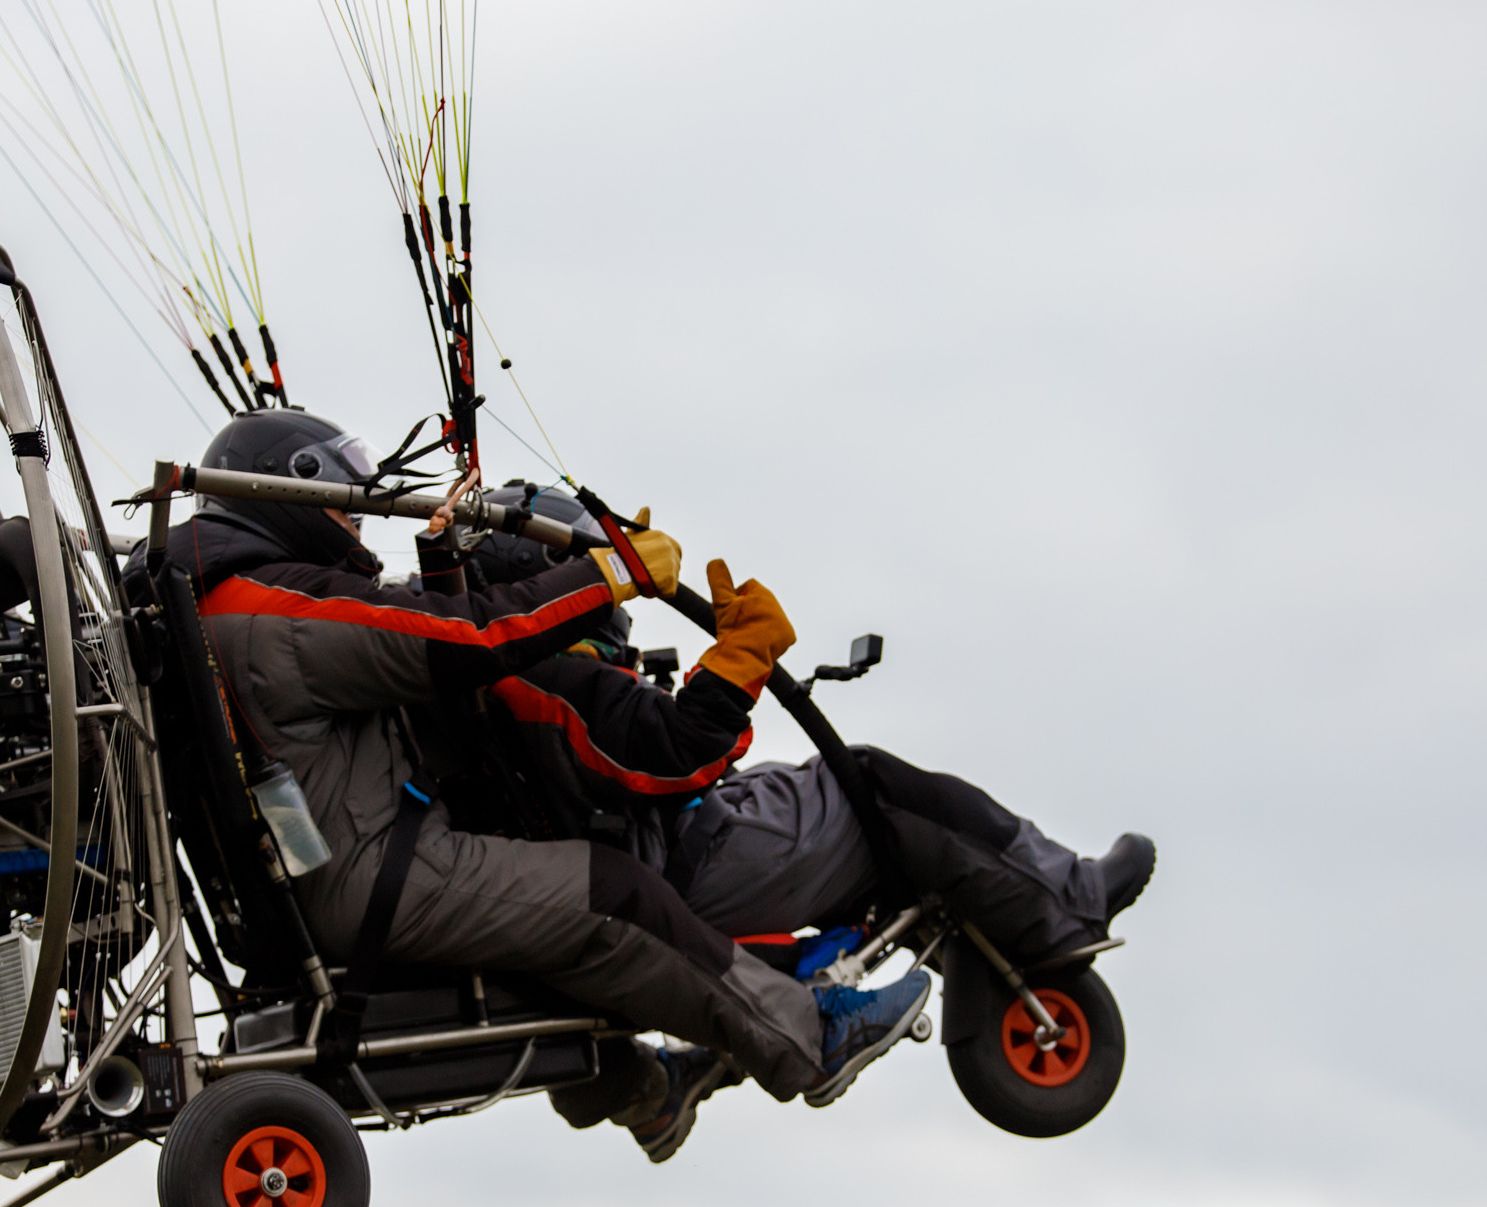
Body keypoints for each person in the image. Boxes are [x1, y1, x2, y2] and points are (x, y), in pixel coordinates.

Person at [138, 411, 931, 1119]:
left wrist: (443, 559)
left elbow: (425, 650)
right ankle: (806, 1039)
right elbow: (462, 638)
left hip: (325, 869)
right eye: (343, 505)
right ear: (289, 489)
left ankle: (649, 1091)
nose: (355, 523)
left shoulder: (218, 604)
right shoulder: (271, 610)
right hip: (373, 875)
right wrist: (607, 574)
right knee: (612, 896)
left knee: (562, 886)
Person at [427, 484, 1156, 1161]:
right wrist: (740, 657)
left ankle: (677, 1081)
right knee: (867, 783)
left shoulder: (475, 684)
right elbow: (675, 752)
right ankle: (1068, 897)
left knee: (796, 789)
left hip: (617, 863)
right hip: (680, 862)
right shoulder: (549, 677)